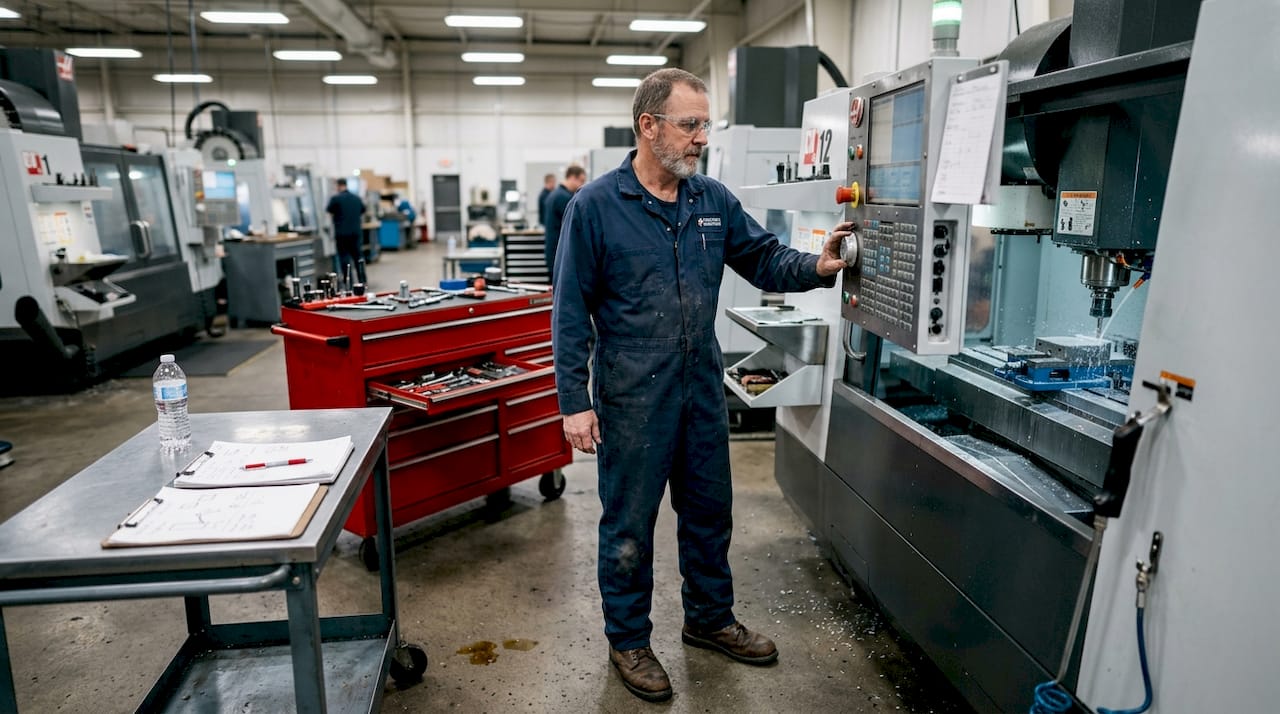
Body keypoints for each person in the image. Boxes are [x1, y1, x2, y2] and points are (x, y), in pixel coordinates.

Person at [551, 67, 852, 703]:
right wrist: (574, 403)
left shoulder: (710, 201)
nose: (700, 139)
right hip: (632, 390)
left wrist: (820, 266)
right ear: (648, 126)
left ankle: (709, 619)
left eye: (704, 126)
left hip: (699, 382)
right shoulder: (596, 208)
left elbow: (766, 256)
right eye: (690, 126)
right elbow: (570, 314)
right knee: (630, 522)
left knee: (710, 512)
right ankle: (629, 638)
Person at [543, 165, 587, 280]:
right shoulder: (564, 198)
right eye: (581, 180)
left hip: (554, 252)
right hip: (561, 254)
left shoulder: (554, 194)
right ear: (572, 177)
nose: (582, 185)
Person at [326, 178, 366, 285]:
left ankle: (349, 283)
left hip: (342, 234)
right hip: (355, 233)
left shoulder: (336, 199)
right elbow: (363, 210)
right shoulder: (356, 198)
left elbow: (329, 211)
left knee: (344, 259)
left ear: (338, 186)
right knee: (358, 258)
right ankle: (363, 281)